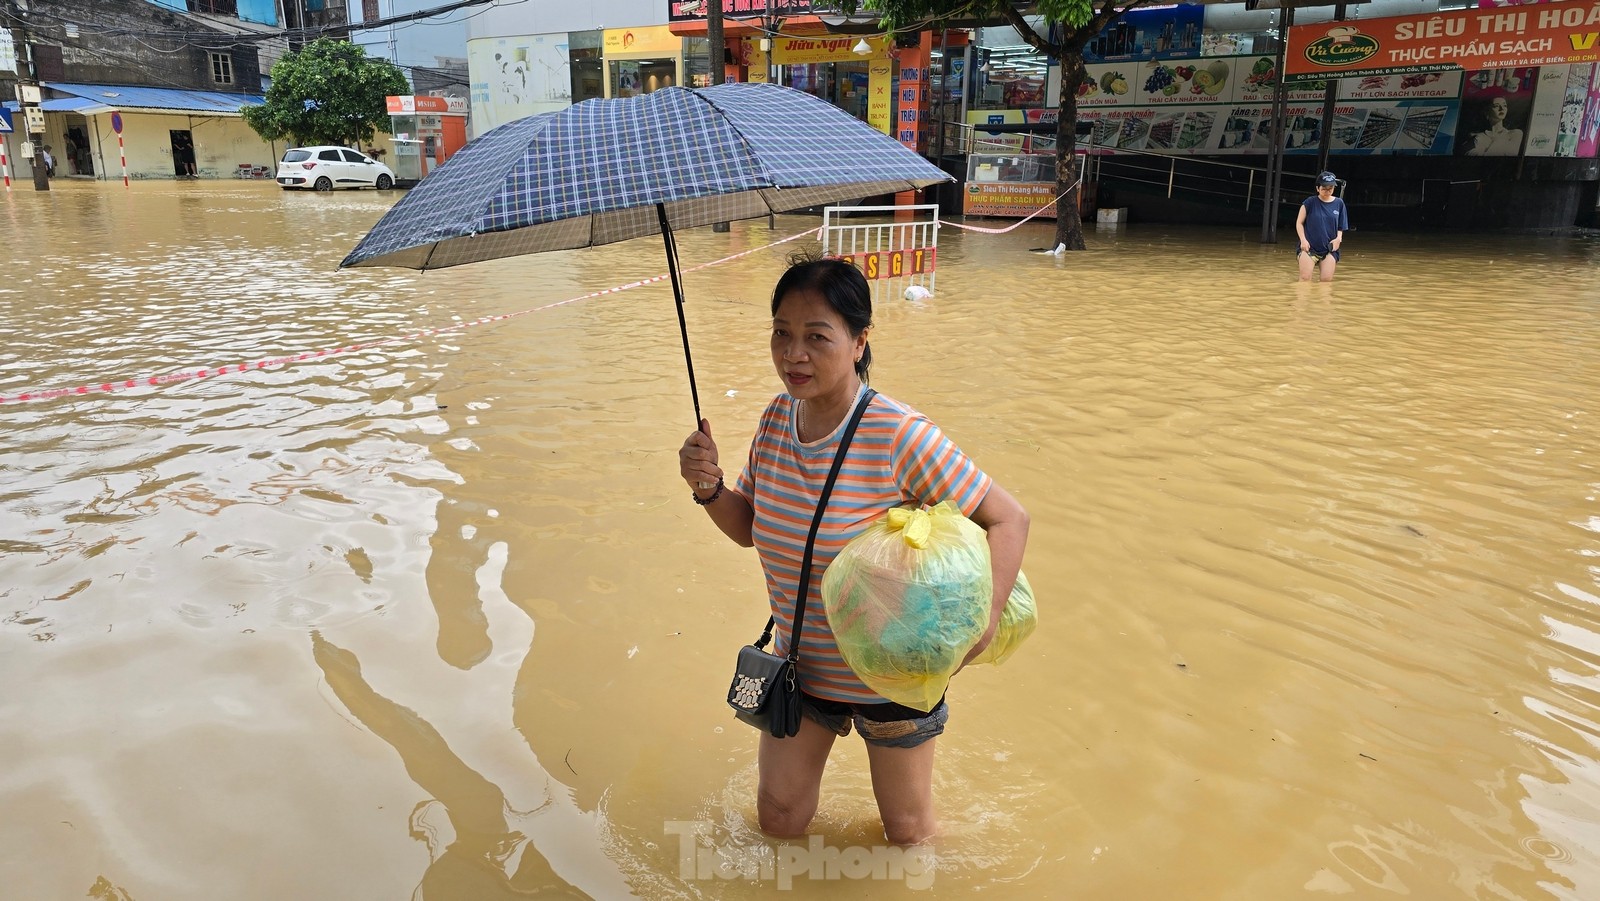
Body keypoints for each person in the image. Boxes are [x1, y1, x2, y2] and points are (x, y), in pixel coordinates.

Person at [677, 255, 1030, 846]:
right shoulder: (773, 421)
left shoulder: (898, 433)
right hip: (801, 665)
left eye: (817, 337)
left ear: (860, 339)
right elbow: (748, 528)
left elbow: (1008, 518)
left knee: (907, 833)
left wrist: (982, 624)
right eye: (782, 334)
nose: (794, 354)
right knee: (778, 818)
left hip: (895, 673)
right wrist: (708, 488)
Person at [1296, 171, 1349, 283]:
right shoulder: (1309, 202)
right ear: (1317, 188)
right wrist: (1303, 240)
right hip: (1309, 247)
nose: (1327, 191)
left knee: (1326, 281)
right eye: (1324, 188)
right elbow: (1299, 223)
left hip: (1330, 248)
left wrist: (1339, 238)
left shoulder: (1339, 203)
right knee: (1305, 279)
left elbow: (1341, 226)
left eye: (1330, 188)